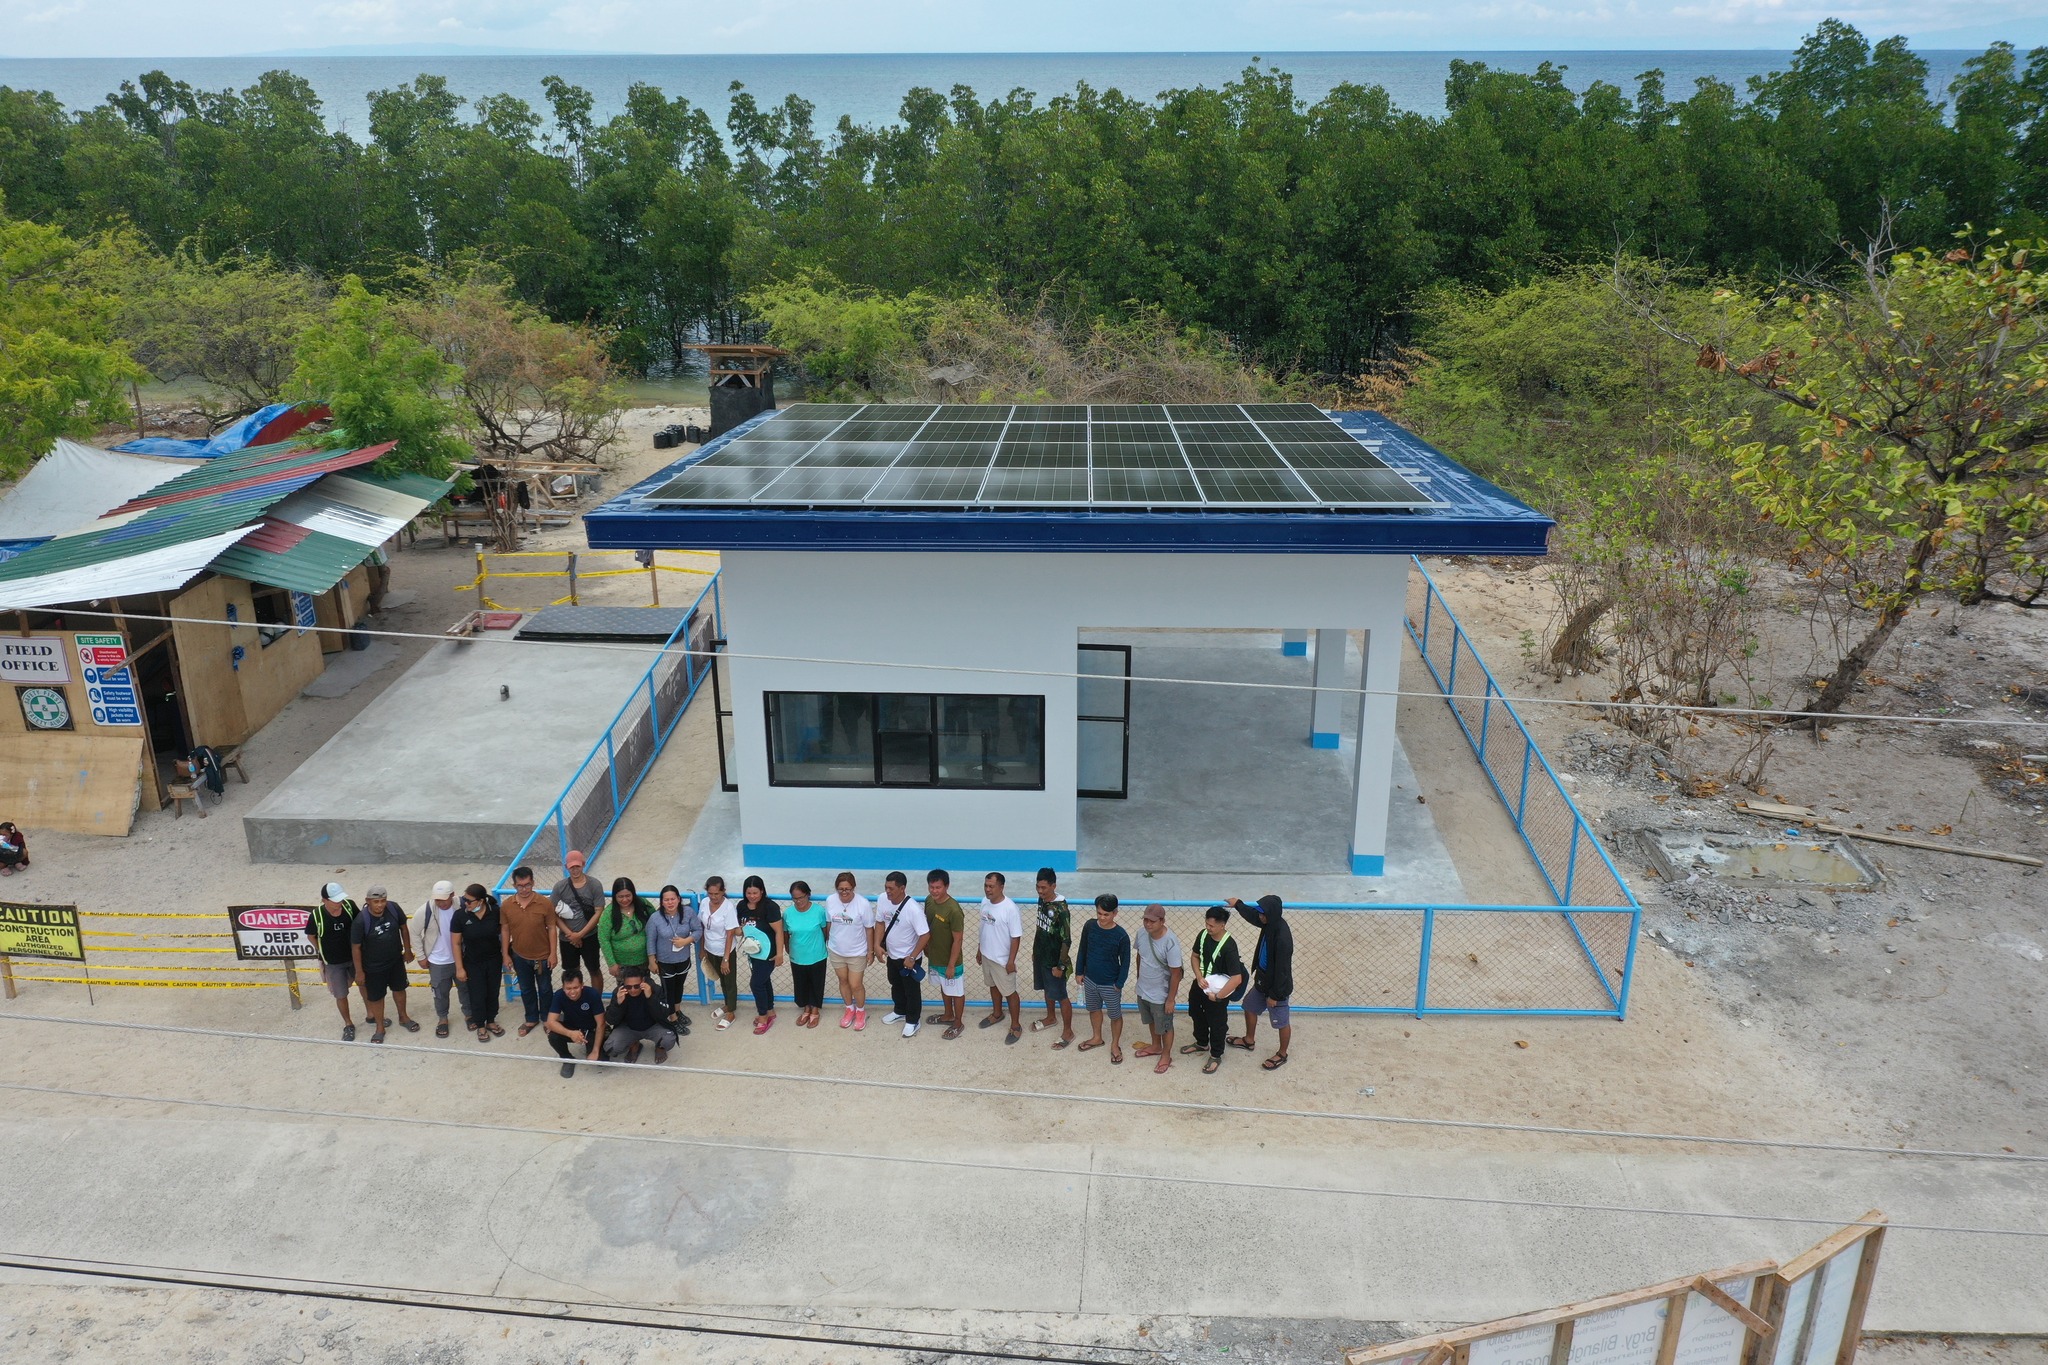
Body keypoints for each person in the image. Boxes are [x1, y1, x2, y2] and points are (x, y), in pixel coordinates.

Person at [1229, 895, 1295, 1071]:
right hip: (1262, 979)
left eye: (1262, 913)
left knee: (1281, 1022)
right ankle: (1248, 1040)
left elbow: (1283, 971)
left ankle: (1282, 1054)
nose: (1259, 916)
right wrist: (1238, 904)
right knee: (1249, 1007)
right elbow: (1252, 916)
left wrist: (1275, 995)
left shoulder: (1282, 938)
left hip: (1277, 987)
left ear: (1271, 914)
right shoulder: (1268, 923)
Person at [349, 885, 418, 1044]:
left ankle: (403, 1017)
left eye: (383, 901)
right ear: (368, 901)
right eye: (376, 902)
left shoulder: (393, 908)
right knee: (376, 997)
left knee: (400, 989)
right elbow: (356, 947)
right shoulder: (361, 921)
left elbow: (404, 928)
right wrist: (359, 971)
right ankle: (380, 1027)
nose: (380, 905)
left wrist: (407, 950)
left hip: (395, 961)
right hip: (373, 967)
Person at [1181, 906, 1245, 1075]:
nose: (1208, 928)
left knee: (1217, 1023)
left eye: (1212, 926)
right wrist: (1199, 976)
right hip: (1201, 984)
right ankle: (1201, 1042)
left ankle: (1216, 1054)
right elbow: (1195, 956)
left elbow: (1236, 978)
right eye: (1207, 924)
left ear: (1222, 925)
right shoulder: (1203, 935)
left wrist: (1218, 997)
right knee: (1195, 1012)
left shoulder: (1229, 946)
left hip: (1218, 991)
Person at [500, 866, 558, 1039]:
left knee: (546, 988)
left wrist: (553, 953)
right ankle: (531, 1018)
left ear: (533, 883)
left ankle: (547, 1018)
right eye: (520, 886)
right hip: (519, 955)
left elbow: (552, 928)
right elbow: (505, 930)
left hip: (542, 956)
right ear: (514, 885)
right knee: (526, 989)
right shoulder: (507, 905)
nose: (524, 889)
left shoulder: (545, 903)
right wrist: (505, 954)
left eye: (527, 885)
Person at [1074, 894, 1131, 1063]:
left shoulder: (1121, 936)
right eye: (1099, 913)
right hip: (1090, 979)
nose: (1102, 917)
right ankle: (1097, 1037)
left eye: (1106, 914)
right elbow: (1082, 949)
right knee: (1094, 1009)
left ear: (1115, 913)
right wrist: (1079, 972)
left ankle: (1115, 1044)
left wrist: (1119, 984)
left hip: (1110, 984)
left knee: (1115, 1015)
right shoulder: (1089, 926)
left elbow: (1126, 962)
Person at [875, 871, 930, 1039]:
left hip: (909, 958)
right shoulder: (882, 899)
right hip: (892, 955)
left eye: (891, 888)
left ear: (902, 888)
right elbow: (879, 922)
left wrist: (912, 957)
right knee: (895, 984)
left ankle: (913, 1020)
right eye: (886, 888)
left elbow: (925, 934)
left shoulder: (913, 909)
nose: (888, 892)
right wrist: (877, 945)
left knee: (911, 990)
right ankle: (900, 1010)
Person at [1132, 904, 1184, 1074]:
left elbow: (1176, 973)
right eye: (1146, 920)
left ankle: (1166, 1055)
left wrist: (1170, 999)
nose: (1148, 924)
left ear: (1162, 921)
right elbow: (1140, 955)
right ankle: (1155, 1046)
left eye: (1152, 921)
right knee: (1151, 1020)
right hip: (1144, 989)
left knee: (1166, 1026)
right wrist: (1139, 978)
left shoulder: (1170, 942)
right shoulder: (1141, 934)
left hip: (1161, 994)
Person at [415, 879, 469, 1038]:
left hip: (461, 958)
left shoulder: (463, 906)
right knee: (439, 992)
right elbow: (414, 933)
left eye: (443, 899)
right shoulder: (425, 910)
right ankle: (443, 1018)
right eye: (437, 899)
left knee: (466, 988)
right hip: (437, 961)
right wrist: (421, 956)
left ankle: (468, 1014)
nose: (440, 903)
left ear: (452, 895)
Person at [451, 884, 504, 1041]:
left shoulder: (495, 912)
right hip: (473, 962)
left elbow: (505, 931)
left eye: (469, 901)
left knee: (493, 991)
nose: (465, 903)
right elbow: (456, 943)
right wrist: (459, 968)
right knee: (477, 993)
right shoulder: (460, 916)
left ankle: (491, 1020)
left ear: (480, 901)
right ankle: (480, 1024)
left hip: (494, 959)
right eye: (464, 900)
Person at [975, 872, 1024, 1045]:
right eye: (986, 886)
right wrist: (980, 950)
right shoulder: (984, 902)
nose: (988, 890)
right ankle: (997, 1013)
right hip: (987, 956)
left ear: (1001, 887)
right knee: (993, 986)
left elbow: (1016, 937)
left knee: (1010, 992)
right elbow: (983, 928)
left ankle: (1016, 1025)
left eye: (991, 886)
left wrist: (1011, 961)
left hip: (1002, 960)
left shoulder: (1010, 908)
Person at [310, 882, 362, 1040]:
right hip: (333, 963)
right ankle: (348, 1024)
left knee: (365, 984)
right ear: (324, 900)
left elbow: (359, 924)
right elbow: (311, 935)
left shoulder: (349, 906)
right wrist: (323, 951)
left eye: (340, 899)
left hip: (354, 958)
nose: (339, 902)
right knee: (341, 994)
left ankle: (372, 1015)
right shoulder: (317, 915)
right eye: (335, 900)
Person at [645, 884, 700, 1035]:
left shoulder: (688, 913)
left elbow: (698, 930)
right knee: (668, 990)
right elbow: (650, 940)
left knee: (679, 986)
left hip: (683, 959)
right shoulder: (655, 918)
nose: (670, 902)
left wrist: (686, 940)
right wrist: (652, 960)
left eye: (672, 899)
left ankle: (677, 1010)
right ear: (661, 902)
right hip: (665, 961)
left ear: (679, 899)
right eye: (666, 900)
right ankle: (672, 1018)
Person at [824, 872, 876, 1031]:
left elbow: (869, 929)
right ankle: (849, 1008)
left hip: (857, 952)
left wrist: (870, 951)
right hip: (836, 950)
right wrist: (828, 942)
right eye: (841, 889)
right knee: (843, 981)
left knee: (856, 984)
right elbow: (829, 923)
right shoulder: (830, 900)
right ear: (836, 888)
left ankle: (860, 1011)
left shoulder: (863, 904)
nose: (844, 892)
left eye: (847, 889)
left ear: (853, 887)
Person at [1030, 867, 1074, 1047]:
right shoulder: (1042, 902)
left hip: (1055, 961)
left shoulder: (1061, 909)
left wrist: (1060, 965)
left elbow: (1067, 939)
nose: (1040, 891)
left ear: (1053, 886)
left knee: (1061, 995)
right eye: (1038, 887)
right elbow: (1040, 928)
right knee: (1047, 989)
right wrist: (1035, 951)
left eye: (1044, 888)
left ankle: (1068, 1031)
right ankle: (1050, 1017)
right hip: (1041, 956)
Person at [737, 875, 786, 1034]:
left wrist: (779, 954)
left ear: (762, 891)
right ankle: (770, 1011)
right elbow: (741, 928)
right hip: (753, 953)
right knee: (764, 982)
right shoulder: (741, 906)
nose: (752, 896)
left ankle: (763, 1016)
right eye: (749, 893)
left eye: (755, 893)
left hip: (768, 953)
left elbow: (778, 931)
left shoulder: (770, 907)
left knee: (756, 984)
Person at [922, 870, 968, 1039]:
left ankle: (958, 1022)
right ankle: (948, 1014)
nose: (934, 891)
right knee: (944, 986)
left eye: (938, 887)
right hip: (935, 956)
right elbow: (927, 926)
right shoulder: (929, 901)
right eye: (932, 887)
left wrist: (951, 964)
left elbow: (958, 940)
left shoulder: (954, 910)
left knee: (956, 991)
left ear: (946, 886)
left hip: (951, 961)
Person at [550, 850, 605, 983]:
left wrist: (580, 934)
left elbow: (598, 912)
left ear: (583, 865)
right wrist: (570, 934)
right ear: (566, 867)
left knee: (594, 969)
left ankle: (595, 1000)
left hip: (589, 935)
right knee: (571, 972)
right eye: (572, 867)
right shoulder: (559, 887)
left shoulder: (594, 885)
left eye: (577, 866)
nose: (575, 870)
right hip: (567, 938)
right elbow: (552, 913)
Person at [603, 966, 677, 1063]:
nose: (633, 990)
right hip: (629, 1027)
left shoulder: (655, 989)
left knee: (669, 1040)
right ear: (623, 983)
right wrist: (618, 1004)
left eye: (636, 986)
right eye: (628, 986)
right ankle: (634, 1044)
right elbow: (611, 1020)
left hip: (653, 1026)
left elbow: (664, 1014)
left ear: (643, 981)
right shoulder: (619, 992)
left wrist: (650, 997)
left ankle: (659, 1047)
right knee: (610, 1048)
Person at [783, 880, 829, 1028]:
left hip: (817, 955)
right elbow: (785, 933)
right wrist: (787, 948)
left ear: (808, 895)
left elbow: (824, 932)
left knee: (816, 982)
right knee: (801, 983)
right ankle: (806, 1008)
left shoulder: (819, 911)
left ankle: (815, 1010)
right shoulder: (788, 913)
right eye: (795, 898)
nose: (798, 901)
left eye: (801, 897)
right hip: (797, 955)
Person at [544, 969, 607, 1077]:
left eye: (575, 987)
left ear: (582, 985)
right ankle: (567, 1058)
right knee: (553, 1034)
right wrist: (570, 1033)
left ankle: (592, 1047)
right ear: (563, 987)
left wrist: (595, 1050)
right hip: (571, 1027)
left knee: (602, 1060)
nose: (572, 992)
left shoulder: (592, 994)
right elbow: (550, 1022)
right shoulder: (559, 995)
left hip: (591, 1029)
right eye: (568, 988)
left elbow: (601, 1023)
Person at [701, 875, 742, 1030]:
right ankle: (727, 1004)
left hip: (725, 951)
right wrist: (703, 949)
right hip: (711, 949)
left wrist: (726, 959)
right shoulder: (704, 903)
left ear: (723, 891)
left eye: (717, 894)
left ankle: (731, 1012)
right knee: (721, 979)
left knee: (729, 981)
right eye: (710, 894)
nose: (713, 897)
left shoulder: (728, 907)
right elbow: (703, 927)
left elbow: (730, 933)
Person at [597, 877, 652, 982]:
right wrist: (611, 963)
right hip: (622, 965)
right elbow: (603, 939)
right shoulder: (609, 914)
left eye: (628, 896)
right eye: (620, 897)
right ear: (615, 896)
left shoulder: (643, 904)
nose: (625, 900)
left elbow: (656, 920)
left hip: (644, 961)